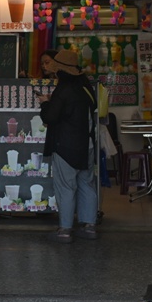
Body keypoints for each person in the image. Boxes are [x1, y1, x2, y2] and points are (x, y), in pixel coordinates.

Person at [37, 49, 98, 243]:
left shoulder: (63, 89)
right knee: (87, 184)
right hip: (87, 145)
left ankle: (64, 230)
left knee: (65, 187)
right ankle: (89, 226)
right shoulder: (85, 86)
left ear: (60, 69)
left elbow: (50, 117)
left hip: (66, 146)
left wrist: (45, 103)